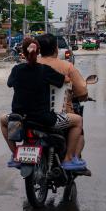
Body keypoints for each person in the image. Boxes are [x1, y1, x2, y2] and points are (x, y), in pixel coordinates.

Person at [0, 37, 86, 170]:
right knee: (78, 120)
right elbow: (66, 80)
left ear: (23, 52)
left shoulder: (16, 69)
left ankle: (15, 153)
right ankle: (68, 159)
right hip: (44, 119)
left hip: (20, 118)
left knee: (2, 119)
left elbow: (10, 83)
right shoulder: (47, 70)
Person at [37, 33, 88, 161]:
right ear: (56, 49)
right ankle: (69, 158)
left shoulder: (29, 66)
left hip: (33, 115)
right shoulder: (67, 67)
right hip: (59, 116)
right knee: (78, 124)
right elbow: (82, 92)